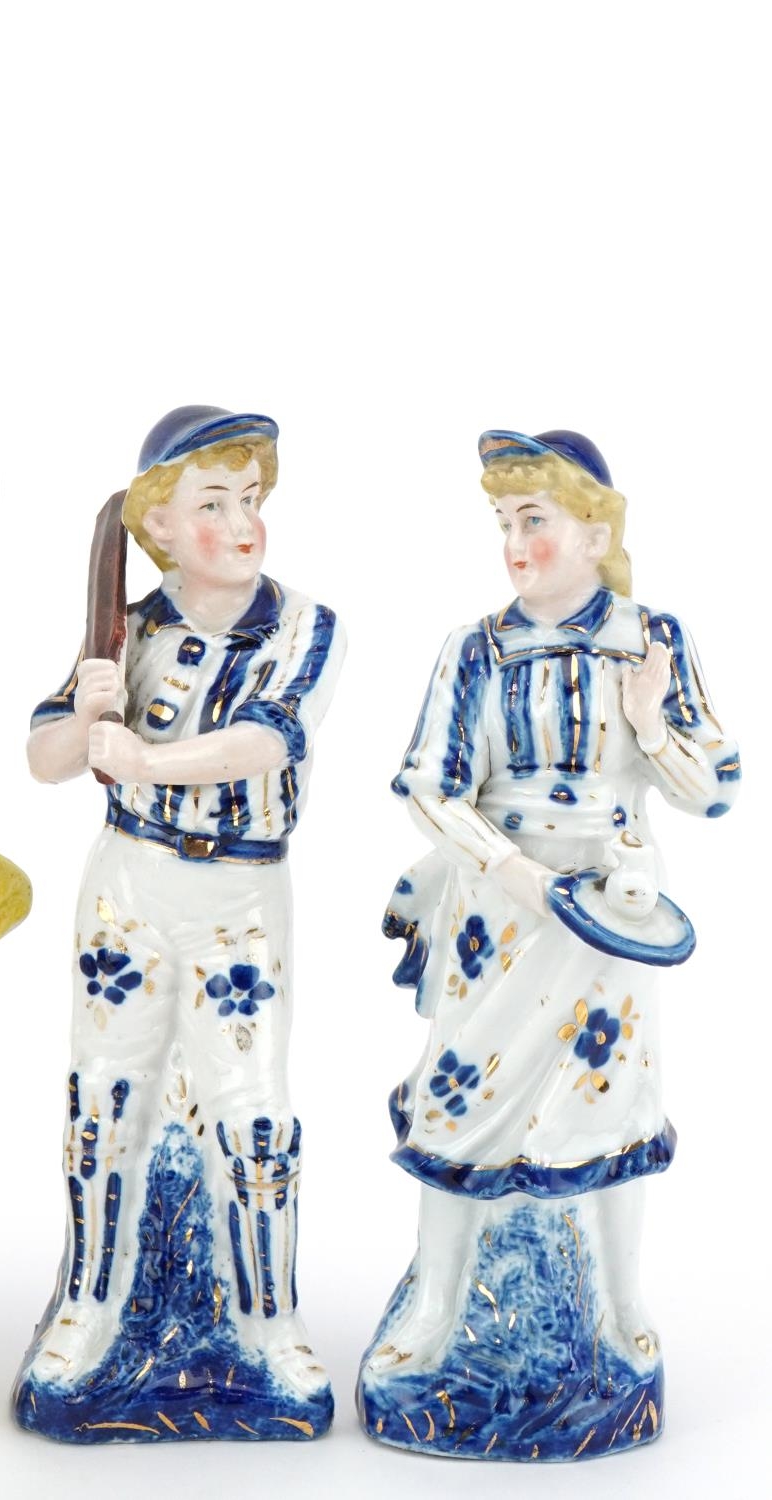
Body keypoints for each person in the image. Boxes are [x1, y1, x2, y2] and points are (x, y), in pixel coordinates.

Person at [359, 430, 740, 1459]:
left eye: (535, 519)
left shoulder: (649, 640)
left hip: (613, 913)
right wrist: (517, 874)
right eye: (504, 523)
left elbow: (716, 789)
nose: (515, 543)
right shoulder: (474, 648)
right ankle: (436, 1304)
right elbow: (429, 790)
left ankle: (620, 1304)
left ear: (597, 533)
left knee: (611, 1103)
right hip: (501, 911)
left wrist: (651, 727)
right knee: (459, 1097)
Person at [16, 406, 344, 1432]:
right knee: (105, 1095)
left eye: (251, 500)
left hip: (237, 897)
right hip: (131, 884)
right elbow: (43, 758)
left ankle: (268, 1319)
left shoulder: (301, 626)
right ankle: (89, 1305)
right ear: (157, 526)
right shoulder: (133, 630)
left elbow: (268, 739)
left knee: (252, 1106)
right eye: (215, 504)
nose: (243, 524)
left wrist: (147, 761)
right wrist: (87, 714)